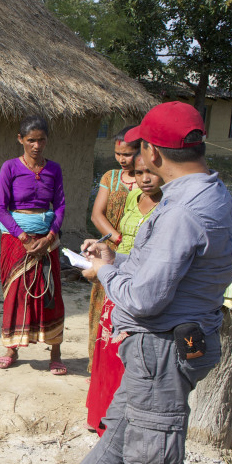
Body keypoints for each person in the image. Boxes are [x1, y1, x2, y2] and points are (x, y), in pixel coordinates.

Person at [38, 101, 232, 464]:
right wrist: (116, 254)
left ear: (151, 150)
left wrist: (103, 270)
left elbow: (146, 297)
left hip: (164, 349)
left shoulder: (183, 211)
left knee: (153, 458)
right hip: (173, 342)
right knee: (126, 422)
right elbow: (165, 268)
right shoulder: (207, 193)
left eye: (138, 149)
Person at [86, 155, 163, 435]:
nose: (144, 178)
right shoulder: (133, 200)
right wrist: (104, 253)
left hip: (141, 291)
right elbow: (119, 240)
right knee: (107, 349)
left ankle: (120, 425)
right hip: (118, 280)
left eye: (151, 172)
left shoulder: (170, 210)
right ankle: (100, 416)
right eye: (140, 172)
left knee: (127, 355)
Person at [0, 114, 67, 374]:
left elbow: (59, 206)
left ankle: (55, 352)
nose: (37, 146)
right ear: (20, 139)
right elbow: (0, 208)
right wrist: (23, 237)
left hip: (47, 238)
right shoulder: (10, 168)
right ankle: (11, 348)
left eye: (42, 140)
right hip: (16, 239)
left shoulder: (54, 169)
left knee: (50, 291)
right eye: (31, 140)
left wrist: (48, 238)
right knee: (16, 292)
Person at [87, 130, 140, 364]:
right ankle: (98, 362)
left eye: (127, 154)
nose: (122, 159)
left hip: (139, 251)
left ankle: (124, 362)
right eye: (118, 153)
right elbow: (97, 215)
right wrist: (117, 238)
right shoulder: (111, 177)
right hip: (111, 248)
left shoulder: (148, 180)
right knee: (103, 305)